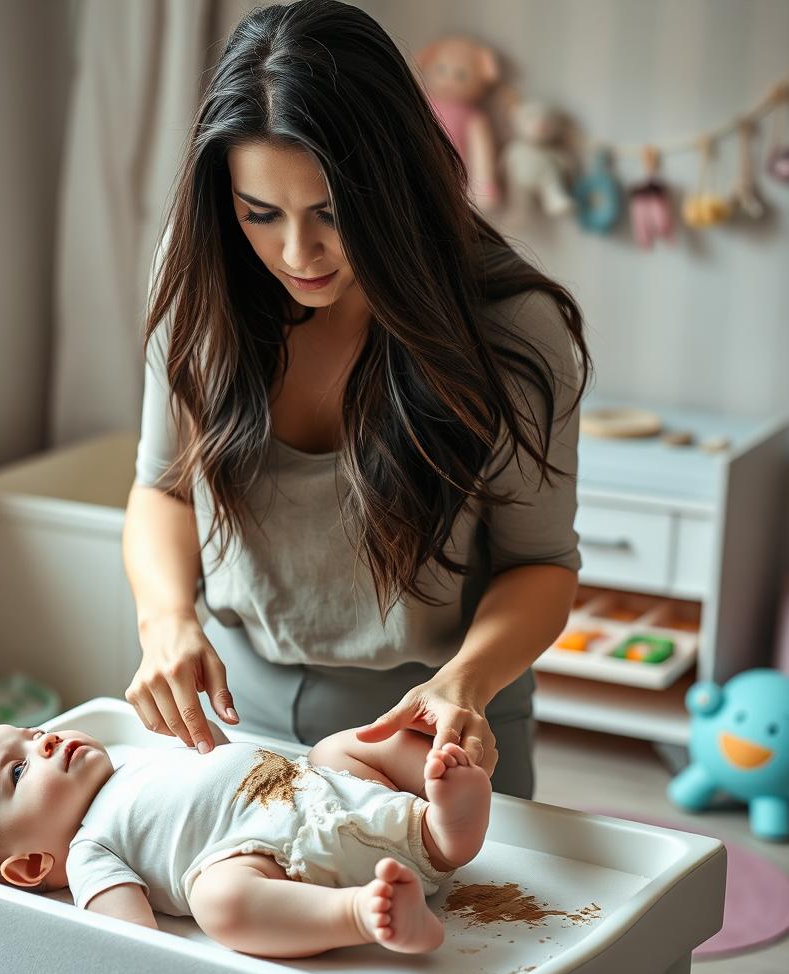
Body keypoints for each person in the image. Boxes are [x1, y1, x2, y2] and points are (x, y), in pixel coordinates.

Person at [122, 0, 591, 800]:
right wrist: (166, 620)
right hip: (234, 705)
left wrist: (467, 684)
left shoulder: (510, 330)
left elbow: (539, 564)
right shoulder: (205, 272)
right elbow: (163, 488)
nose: (297, 254)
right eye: (260, 214)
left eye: (333, 214)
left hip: (428, 720)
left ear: (398, 189)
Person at [0, 723, 492, 957]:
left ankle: (441, 824)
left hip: (332, 793)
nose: (45, 743)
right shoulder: (88, 850)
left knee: (340, 746)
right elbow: (132, 943)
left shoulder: (131, 761)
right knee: (217, 900)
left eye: (35, 731)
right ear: (28, 866)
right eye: (18, 772)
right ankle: (362, 913)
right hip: (291, 862)